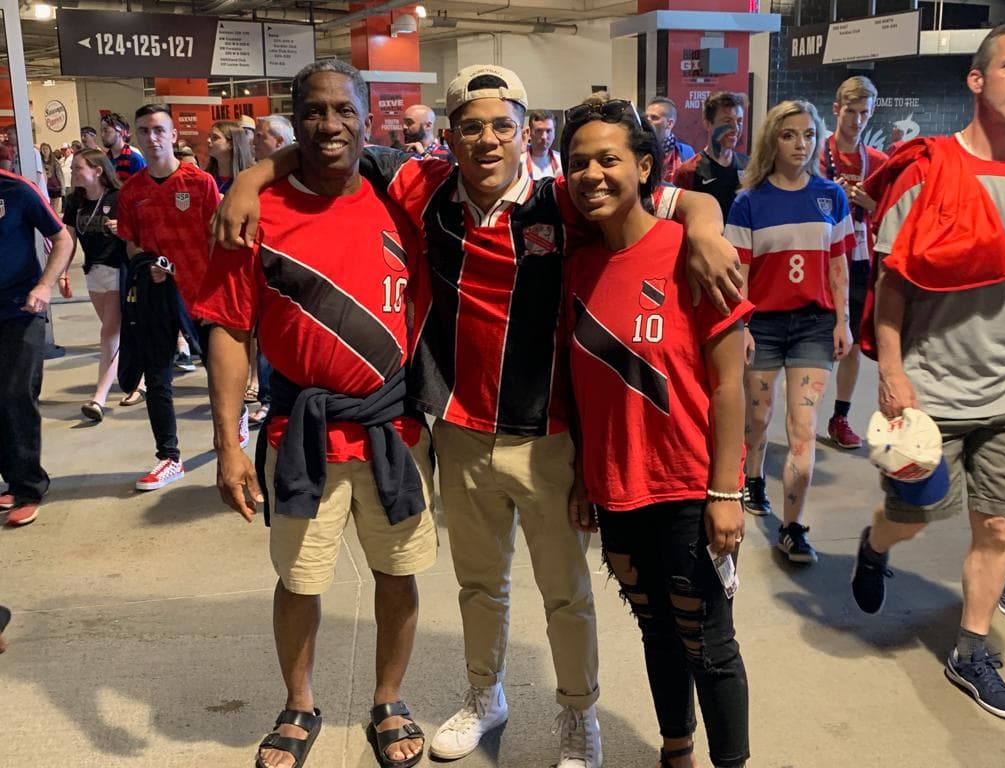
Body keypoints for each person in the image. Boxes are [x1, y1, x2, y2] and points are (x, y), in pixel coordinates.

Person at [214, 63, 743, 768]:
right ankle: (484, 696)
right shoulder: (419, 186)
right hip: (460, 432)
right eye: (471, 126)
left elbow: (664, 199)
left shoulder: (568, 202)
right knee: (478, 585)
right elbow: (320, 144)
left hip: (549, 438)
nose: (487, 140)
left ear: (527, 132)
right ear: (448, 136)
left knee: (565, 594)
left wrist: (706, 223)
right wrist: (248, 179)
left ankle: (576, 715)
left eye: (502, 125)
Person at [195, 59, 436, 768]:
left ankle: (388, 699)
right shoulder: (256, 213)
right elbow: (230, 329)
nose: (330, 125)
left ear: (368, 117)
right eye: (314, 112)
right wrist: (229, 445)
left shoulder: (404, 198)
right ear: (292, 120)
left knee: (399, 573)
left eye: (343, 110)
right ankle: (299, 704)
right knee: (299, 580)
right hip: (298, 430)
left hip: (393, 429)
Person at [562, 99, 752, 768]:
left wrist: (725, 491)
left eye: (608, 159)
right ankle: (676, 749)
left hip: (688, 486)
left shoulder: (692, 252)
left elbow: (731, 384)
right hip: (618, 490)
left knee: (707, 639)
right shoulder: (579, 269)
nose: (592, 173)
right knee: (655, 628)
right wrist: (587, 474)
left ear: (644, 167)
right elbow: (586, 391)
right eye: (578, 162)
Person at [850, 21, 1005, 719]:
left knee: (1000, 529)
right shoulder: (927, 169)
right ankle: (873, 545)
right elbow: (892, 284)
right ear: (976, 80)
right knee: (912, 517)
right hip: (931, 386)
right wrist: (891, 371)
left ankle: (971, 649)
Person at [725, 100, 855, 564]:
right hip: (762, 323)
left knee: (802, 428)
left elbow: (838, 264)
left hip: (814, 325)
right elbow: (737, 273)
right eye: (789, 135)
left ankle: (793, 527)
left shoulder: (830, 197)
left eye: (808, 135)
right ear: (771, 141)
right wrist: (739, 325)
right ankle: (754, 477)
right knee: (757, 420)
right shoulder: (748, 202)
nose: (801, 144)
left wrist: (843, 320)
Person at [116, 103, 228, 491]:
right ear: (136, 137)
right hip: (156, 298)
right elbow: (130, 244)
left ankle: (230, 434)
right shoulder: (132, 191)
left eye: (159, 130)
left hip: (201, 294)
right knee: (158, 377)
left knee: (219, 373)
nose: (153, 138)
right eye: (144, 131)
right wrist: (148, 264)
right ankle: (169, 457)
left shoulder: (200, 183)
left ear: (173, 135)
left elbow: (217, 238)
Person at [0, 166, 74, 526]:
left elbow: (62, 238)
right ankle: (11, 480)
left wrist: (45, 285)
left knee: (16, 394)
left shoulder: (17, 190)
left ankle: (28, 486)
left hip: (20, 309)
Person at [820, 77, 889, 450]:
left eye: (865, 113)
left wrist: (870, 206)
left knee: (854, 343)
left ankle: (841, 415)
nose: (857, 121)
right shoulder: (816, 154)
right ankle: (802, 412)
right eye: (851, 112)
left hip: (861, 261)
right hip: (820, 262)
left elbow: (892, 213)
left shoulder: (878, 162)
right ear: (836, 109)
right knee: (815, 339)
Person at [63, 149, 139, 421]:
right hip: (92, 272)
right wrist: (62, 273)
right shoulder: (75, 202)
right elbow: (68, 239)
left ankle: (99, 397)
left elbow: (139, 232)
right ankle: (139, 380)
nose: (73, 173)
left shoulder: (119, 198)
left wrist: (124, 229)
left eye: (77, 168)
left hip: (118, 270)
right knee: (117, 334)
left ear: (97, 171)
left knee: (110, 334)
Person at [674, 92, 749, 221]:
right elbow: (680, 220)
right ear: (708, 124)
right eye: (727, 121)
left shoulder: (749, 167)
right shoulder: (689, 171)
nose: (735, 128)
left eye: (739, 121)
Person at [645, 97, 696, 182]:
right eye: (646, 117)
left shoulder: (686, 152)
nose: (648, 121)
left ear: (669, 123)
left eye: (654, 117)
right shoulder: (640, 150)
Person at [206, 120, 254, 195]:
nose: (208, 140)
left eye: (215, 137)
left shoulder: (251, 177)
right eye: (209, 137)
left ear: (231, 144)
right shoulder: (206, 176)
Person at [100, 113, 146, 182]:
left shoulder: (135, 158)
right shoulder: (106, 159)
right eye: (101, 131)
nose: (102, 135)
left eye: (106, 131)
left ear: (120, 132)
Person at [524, 110, 562, 179]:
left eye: (548, 131)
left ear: (554, 134)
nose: (544, 137)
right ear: (529, 133)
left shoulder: (562, 162)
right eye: (538, 131)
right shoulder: (519, 163)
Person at [39, 142, 64, 212]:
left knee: (55, 209)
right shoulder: (39, 161)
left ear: (50, 150)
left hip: (55, 186)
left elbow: (60, 174)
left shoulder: (55, 161)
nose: (45, 150)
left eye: (46, 149)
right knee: (47, 208)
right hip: (45, 187)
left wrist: (63, 188)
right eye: (43, 149)